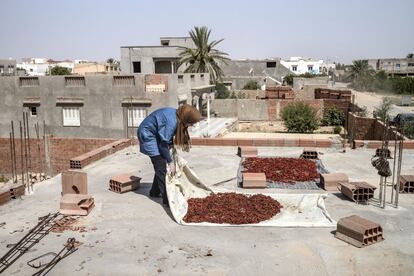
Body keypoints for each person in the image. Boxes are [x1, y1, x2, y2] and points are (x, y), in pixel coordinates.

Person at [137, 104, 201, 205]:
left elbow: (167, 136)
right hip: (148, 135)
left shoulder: (178, 116)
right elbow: (163, 144)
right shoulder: (172, 121)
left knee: (160, 166)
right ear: (186, 118)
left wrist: (170, 148)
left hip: (156, 134)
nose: (191, 125)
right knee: (160, 165)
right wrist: (170, 162)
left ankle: (154, 191)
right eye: (191, 123)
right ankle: (168, 200)